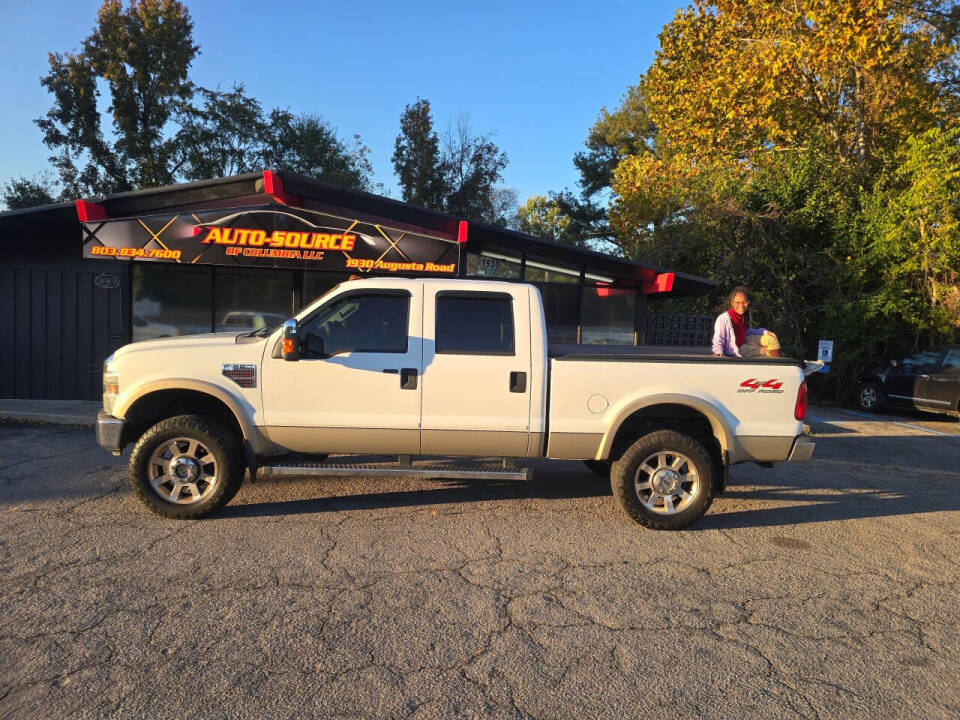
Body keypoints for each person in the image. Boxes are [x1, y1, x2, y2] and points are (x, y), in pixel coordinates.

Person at [712, 286, 781, 358]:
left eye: (744, 302)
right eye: (737, 302)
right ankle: (779, 365)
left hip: (745, 340)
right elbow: (719, 337)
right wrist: (718, 352)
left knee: (772, 340)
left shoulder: (744, 316)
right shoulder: (723, 319)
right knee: (767, 351)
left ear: (748, 303)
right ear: (732, 303)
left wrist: (765, 332)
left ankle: (780, 361)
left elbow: (749, 331)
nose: (741, 305)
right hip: (737, 348)